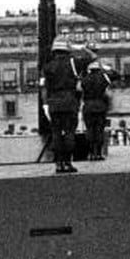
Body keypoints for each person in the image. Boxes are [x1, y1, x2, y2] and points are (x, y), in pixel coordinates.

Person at [41, 39, 84, 173]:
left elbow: (43, 88)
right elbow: (93, 57)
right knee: (70, 132)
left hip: (53, 102)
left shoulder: (47, 67)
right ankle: (68, 162)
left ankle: (59, 164)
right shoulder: (73, 64)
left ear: (54, 52)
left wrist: (45, 105)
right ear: (67, 51)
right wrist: (80, 48)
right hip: (69, 101)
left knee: (56, 133)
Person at [81, 60, 113, 161]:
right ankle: (98, 153)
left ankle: (90, 153)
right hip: (100, 105)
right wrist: (106, 68)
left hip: (88, 106)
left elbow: (78, 89)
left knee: (89, 130)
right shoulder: (103, 78)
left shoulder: (85, 79)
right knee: (99, 130)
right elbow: (116, 74)